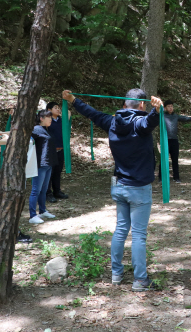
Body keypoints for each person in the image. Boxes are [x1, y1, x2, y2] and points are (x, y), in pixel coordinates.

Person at [63, 89, 162, 292]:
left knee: (121, 230)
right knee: (138, 235)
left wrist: (73, 100)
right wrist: (157, 111)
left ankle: (116, 274)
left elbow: (91, 113)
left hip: (119, 187)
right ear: (142, 106)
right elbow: (149, 122)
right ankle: (140, 280)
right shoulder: (139, 124)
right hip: (138, 189)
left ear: (125, 105)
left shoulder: (112, 122)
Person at [0, 131, 35, 243]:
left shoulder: (26, 134)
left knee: (16, 205)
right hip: (14, 176)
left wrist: (3, 136)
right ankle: (13, 233)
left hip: (20, 174)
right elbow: (0, 140)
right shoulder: (19, 136)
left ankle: (14, 232)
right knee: (12, 204)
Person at [29, 110, 58, 225]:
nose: (50, 119)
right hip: (40, 164)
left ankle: (42, 210)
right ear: (41, 118)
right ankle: (32, 215)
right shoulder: (36, 129)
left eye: (51, 117)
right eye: (48, 117)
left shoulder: (47, 130)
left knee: (44, 189)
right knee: (36, 189)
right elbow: (27, 141)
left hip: (49, 163)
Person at [158, 100, 191, 183]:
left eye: (171, 106)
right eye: (168, 106)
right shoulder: (162, 115)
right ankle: (161, 177)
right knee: (163, 159)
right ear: (165, 108)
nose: (170, 108)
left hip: (174, 140)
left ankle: (176, 177)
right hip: (165, 140)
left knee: (175, 159)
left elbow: (185, 118)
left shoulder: (175, 116)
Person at [45, 102, 69, 202]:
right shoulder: (47, 121)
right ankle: (48, 193)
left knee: (58, 172)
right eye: (56, 108)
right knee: (49, 172)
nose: (58, 110)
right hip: (51, 151)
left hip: (61, 149)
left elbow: (68, 113)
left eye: (59, 108)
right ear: (49, 110)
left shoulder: (61, 120)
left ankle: (57, 191)